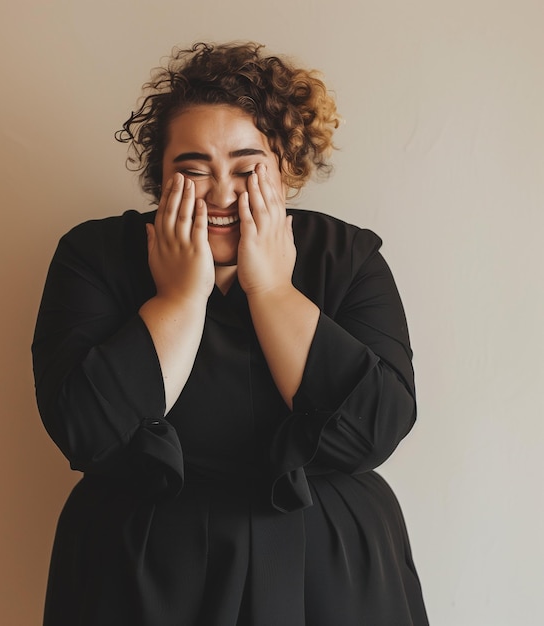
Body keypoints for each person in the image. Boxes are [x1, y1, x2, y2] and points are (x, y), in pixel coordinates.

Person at [32, 42, 428, 626]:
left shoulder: (347, 257)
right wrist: (180, 297)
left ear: (286, 169)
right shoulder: (93, 256)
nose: (220, 194)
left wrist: (271, 290)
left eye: (247, 169)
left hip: (326, 570)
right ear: (159, 175)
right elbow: (83, 429)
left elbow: (375, 430)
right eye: (192, 171)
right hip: (138, 572)